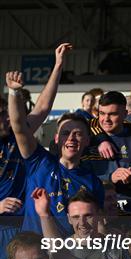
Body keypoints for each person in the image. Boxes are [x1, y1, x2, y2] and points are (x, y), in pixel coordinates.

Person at [7, 69, 104, 235]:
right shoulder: (39, 161)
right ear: (57, 138)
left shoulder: (93, 182)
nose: (71, 138)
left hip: (70, 257)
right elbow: (20, 128)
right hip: (35, 253)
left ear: (87, 140)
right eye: (66, 133)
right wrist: (14, 92)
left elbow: (98, 226)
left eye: (78, 134)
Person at [85, 91, 131, 214]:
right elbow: (79, 179)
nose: (106, 119)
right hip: (96, 209)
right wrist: (110, 178)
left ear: (125, 114)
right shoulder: (86, 140)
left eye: (112, 114)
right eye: (102, 113)